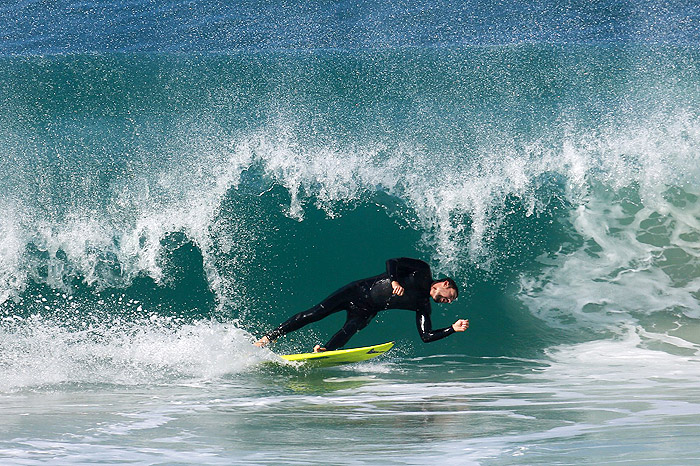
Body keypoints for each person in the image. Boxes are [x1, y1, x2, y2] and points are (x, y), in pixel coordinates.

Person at [254, 257, 469, 352]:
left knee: (349, 329)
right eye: (450, 296)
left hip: (368, 309)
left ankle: (324, 351)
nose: (448, 301)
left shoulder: (423, 304)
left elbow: (426, 336)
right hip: (357, 291)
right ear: (446, 283)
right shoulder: (422, 270)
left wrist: (452, 328)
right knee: (314, 314)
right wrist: (394, 280)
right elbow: (392, 262)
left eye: (449, 302)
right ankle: (267, 338)